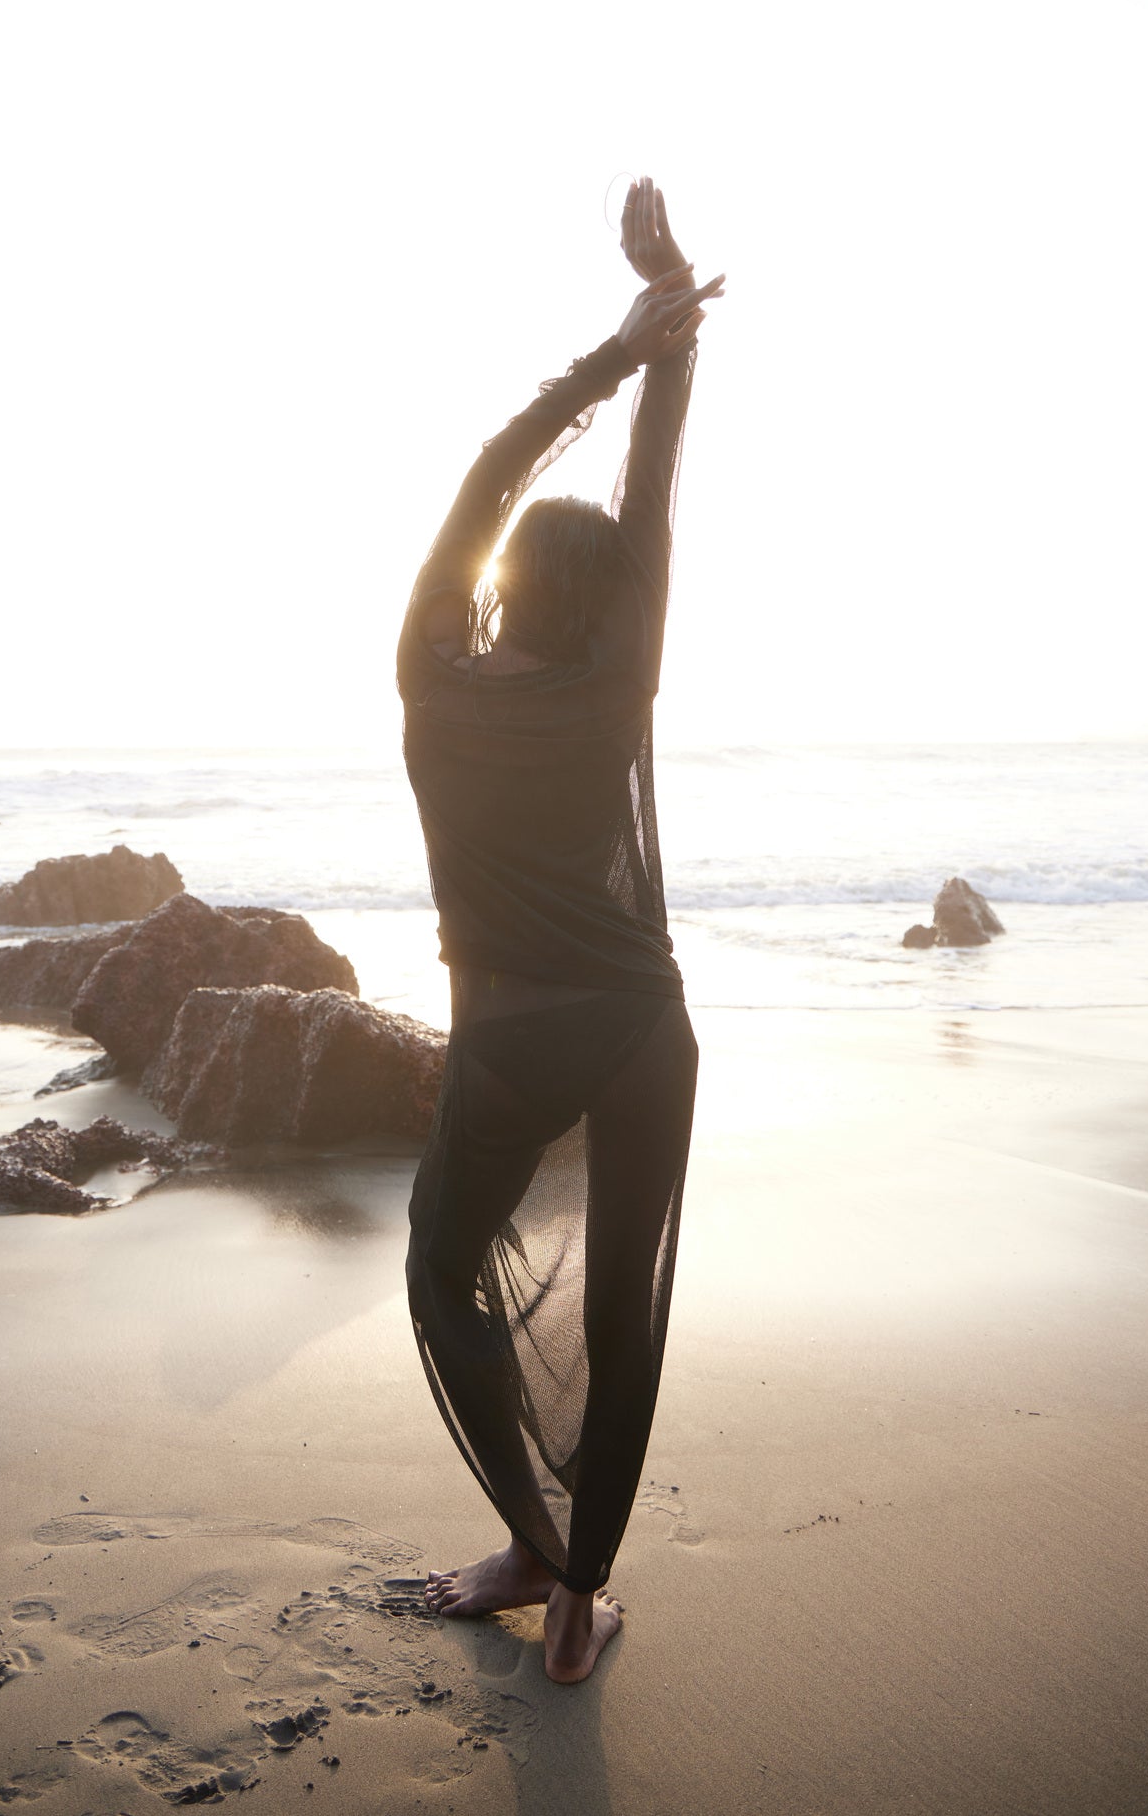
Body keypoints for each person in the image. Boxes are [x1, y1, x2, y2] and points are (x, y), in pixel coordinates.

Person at [397, 179, 724, 1683]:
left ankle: (535, 1541)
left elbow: (484, 474)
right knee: (624, 1309)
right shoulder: (617, 684)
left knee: (439, 1270)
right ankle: (579, 1593)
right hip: (645, 1034)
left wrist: (611, 349)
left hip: (513, 1037)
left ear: (496, 587)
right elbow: (652, 499)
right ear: (607, 611)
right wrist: (671, 343)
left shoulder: (429, 676)